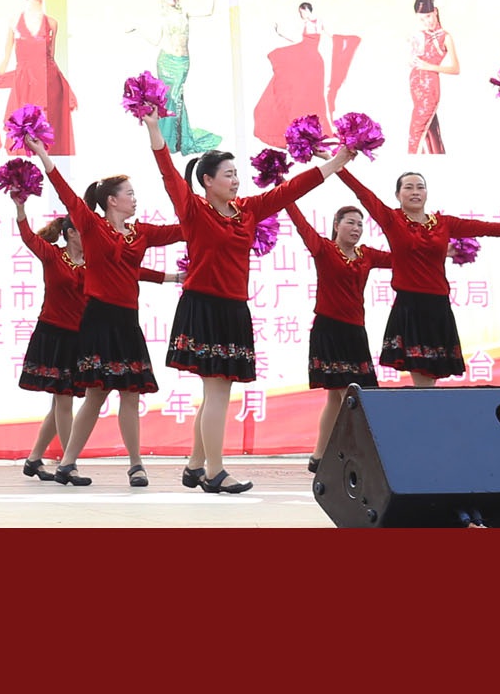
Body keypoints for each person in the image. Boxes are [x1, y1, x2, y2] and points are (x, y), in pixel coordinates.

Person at [149, 109, 357, 494]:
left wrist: (336, 162)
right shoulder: (193, 209)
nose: (235, 181)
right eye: (228, 175)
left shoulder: (246, 211)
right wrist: (152, 127)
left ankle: (195, 465)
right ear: (207, 181)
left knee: (216, 391)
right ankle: (214, 472)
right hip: (203, 307)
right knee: (217, 391)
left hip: (234, 308)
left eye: (236, 175)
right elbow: (167, 171)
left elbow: (291, 191)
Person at [31, 140, 184, 487]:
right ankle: (67, 463)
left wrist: (212, 207)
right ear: (112, 200)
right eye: (129, 193)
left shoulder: (141, 232)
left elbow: (184, 228)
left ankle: (136, 465)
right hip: (99, 319)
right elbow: (67, 194)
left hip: (128, 321)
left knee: (131, 394)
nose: (135, 198)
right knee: (96, 395)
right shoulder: (92, 226)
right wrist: (43, 155)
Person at [336, 167, 500, 388]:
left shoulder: (442, 223)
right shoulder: (392, 219)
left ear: (426, 193)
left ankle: (425, 410)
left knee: (430, 381)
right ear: (398, 195)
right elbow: (362, 193)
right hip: (411, 307)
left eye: (420, 187)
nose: (415, 192)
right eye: (408, 187)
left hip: (439, 307)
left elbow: (484, 227)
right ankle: (424, 410)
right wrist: (337, 165)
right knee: (423, 381)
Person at [284, 200, 392, 472]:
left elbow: (401, 257)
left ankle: (319, 457)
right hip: (330, 330)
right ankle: (362, 458)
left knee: (337, 398)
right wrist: (284, 192)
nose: (356, 228)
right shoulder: (324, 249)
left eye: (360, 224)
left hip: (356, 333)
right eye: (350, 223)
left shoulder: (366, 255)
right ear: (336, 225)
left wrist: (443, 250)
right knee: (351, 397)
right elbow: (300, 224)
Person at [0, 0, 79, 156]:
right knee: (23, 137)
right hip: (24, 84)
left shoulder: (52, 23)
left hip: (49, 85)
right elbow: (6, 56)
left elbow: (50, 58)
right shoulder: (14, 21)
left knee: (49, 138)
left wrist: (65, 88)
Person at [127, 0, 224, 155]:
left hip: (182, 62)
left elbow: (208, 11)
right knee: (169, 98)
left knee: (177, 97)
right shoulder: (162, 17)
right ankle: (169, 139)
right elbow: (156, 41)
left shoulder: (184, 13)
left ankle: (179, 138)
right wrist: (138, 29)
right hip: (166, 62)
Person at [251, 1, 330, 146]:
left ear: (306, 10)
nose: (301, 15)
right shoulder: (313, 23)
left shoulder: (313, 23)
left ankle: (309, 129)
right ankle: (307, 128)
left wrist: (280, 33)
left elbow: (305, 40)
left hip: (309, 58)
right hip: (310, 58)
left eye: (302, 12)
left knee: (310, 95)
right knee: (307, 94)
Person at [407, 0, 457, 153]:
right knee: (431, 132)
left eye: (428, 16)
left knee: (416, 132)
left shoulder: (445, 37)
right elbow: (412, 60)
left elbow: (455, 68)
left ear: (435, 11)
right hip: (416, 86)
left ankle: (411, 162)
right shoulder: (421, 35)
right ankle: (438, 158)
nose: (427, 22)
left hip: (429, 88)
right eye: (422, 19)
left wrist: (428, 66)